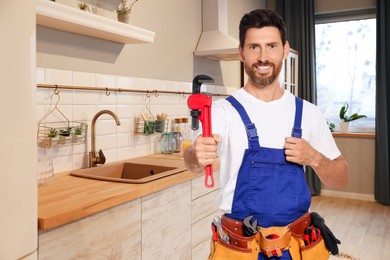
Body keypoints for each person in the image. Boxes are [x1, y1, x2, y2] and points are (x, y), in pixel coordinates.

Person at [184, 9, 349, 259]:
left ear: (284, 49)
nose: (263, 57)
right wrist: (196, 156)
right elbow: (191, 163)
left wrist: (314, 157)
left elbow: (341, 177)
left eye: (271, 46)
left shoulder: (309, 113)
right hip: (239, 248)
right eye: (254, 47)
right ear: (241, 52)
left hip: (297, 247)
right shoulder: (222, 112)